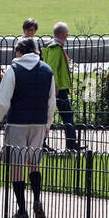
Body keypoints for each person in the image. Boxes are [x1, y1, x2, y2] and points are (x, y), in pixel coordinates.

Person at [0, 37, 57, 218]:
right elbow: (51, 102)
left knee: (17, 166)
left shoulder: (14, 70)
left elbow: (3, 100)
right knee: (34, 164)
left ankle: (22, 210)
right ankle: (36, 199)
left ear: (20, 52)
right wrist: (48, 124)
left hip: (17, 123)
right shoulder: (47, 71)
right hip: (39, 124)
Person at [41, 22, 82, 152]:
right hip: (59, 89)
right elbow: (52, 68)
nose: (68, 35)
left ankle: (42, 144)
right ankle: (71, 145)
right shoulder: (56, 48)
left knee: (47, 116)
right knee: (67, 116)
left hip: (54, 87)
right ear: (63, 34)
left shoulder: (50, 46)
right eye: (67, 33)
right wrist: (56, 86)